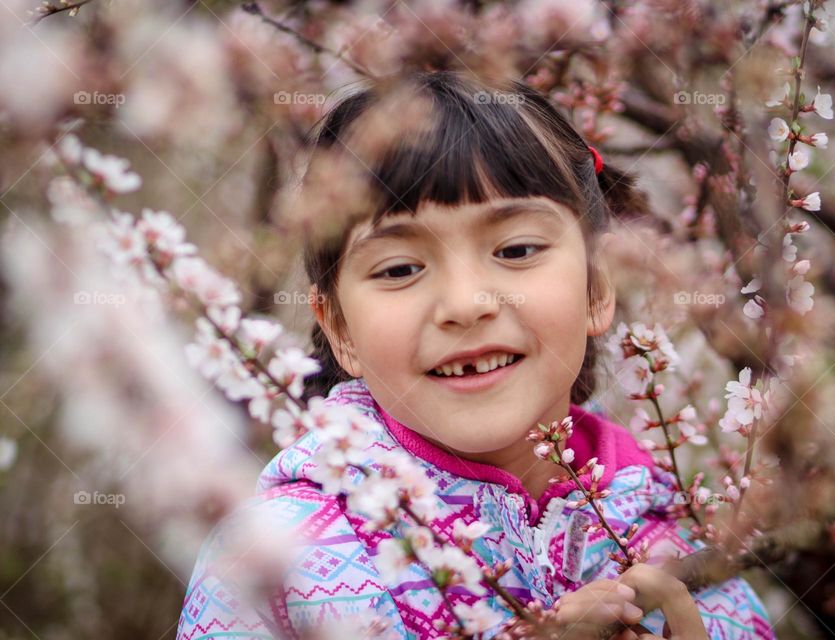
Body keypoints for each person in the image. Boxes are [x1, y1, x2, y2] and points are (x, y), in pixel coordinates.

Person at [178, 70, 775, 640]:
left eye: (516, 250)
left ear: (598, 286)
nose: (466, 304)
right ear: (340, 328)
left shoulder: (684, 552)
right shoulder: (272, 564)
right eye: (400, 268)